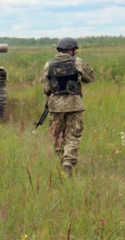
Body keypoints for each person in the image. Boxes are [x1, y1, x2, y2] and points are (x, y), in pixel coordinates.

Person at [40, 37, 96, 176]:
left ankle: (60, 163)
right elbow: (91, 78)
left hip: (55, 107)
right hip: (74, 105)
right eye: (75, 50)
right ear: (70, 50)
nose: (76, 52)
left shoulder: (48, 65)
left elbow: (46, 89)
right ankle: (68, 163)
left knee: (57, 136)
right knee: (73, 136)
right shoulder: (77, 62)